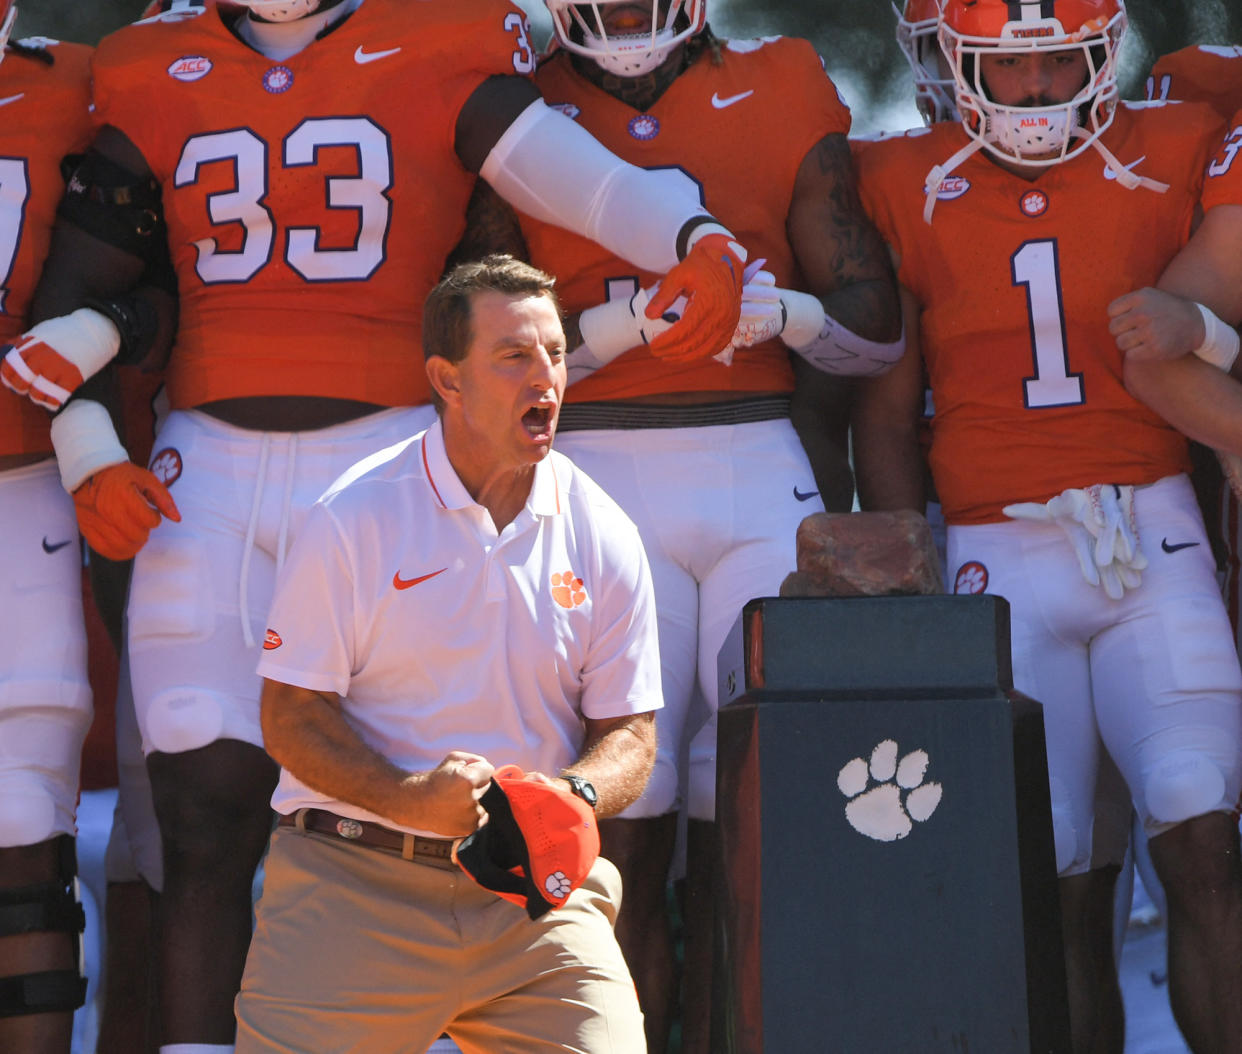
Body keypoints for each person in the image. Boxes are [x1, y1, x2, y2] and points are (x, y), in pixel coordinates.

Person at [0, 2, 751, 1051]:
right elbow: (77, 299)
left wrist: (689, 234)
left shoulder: (439, 36)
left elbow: (573, 176)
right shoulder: (149, 64)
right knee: (199, 814)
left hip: (391, 463)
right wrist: (90, 459)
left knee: (434, 801)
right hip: (204, 471)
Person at [454, 3, 902, 1049]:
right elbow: (469, 341)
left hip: (754, 461)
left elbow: (874, 327)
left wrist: (784, 312)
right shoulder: (523, 105)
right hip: (592, 470)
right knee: (621, 833)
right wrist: (614, 331)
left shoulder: (783, 79)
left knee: (760, 820)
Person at [851, 1, 1242, 1052]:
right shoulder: (898, 179)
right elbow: (886, 408)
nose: (1031, 92)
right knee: (1054, 869)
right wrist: (905, 562)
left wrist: (1201, 326)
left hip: (1149, 527)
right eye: (1007, 69)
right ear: (955, 62)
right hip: (994, 553)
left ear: (1103, 55)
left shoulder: (1181, 139)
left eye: (1057, 65)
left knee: (1202, 826)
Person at [234, 255, 660, 1053]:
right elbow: (289, 716)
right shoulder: (353, 516)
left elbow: (632, 735)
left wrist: (572, 794)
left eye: (556, 355)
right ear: (446, 379)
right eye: (515, 357)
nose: (547, 378)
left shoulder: (606, 531)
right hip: (351, 885)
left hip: (536, 903)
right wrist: (404, 796)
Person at [0, 14, 97, 1054]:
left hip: (18, 479)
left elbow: (149, 269)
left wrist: (103, 326)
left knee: (25, 819)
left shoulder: (84, 83)